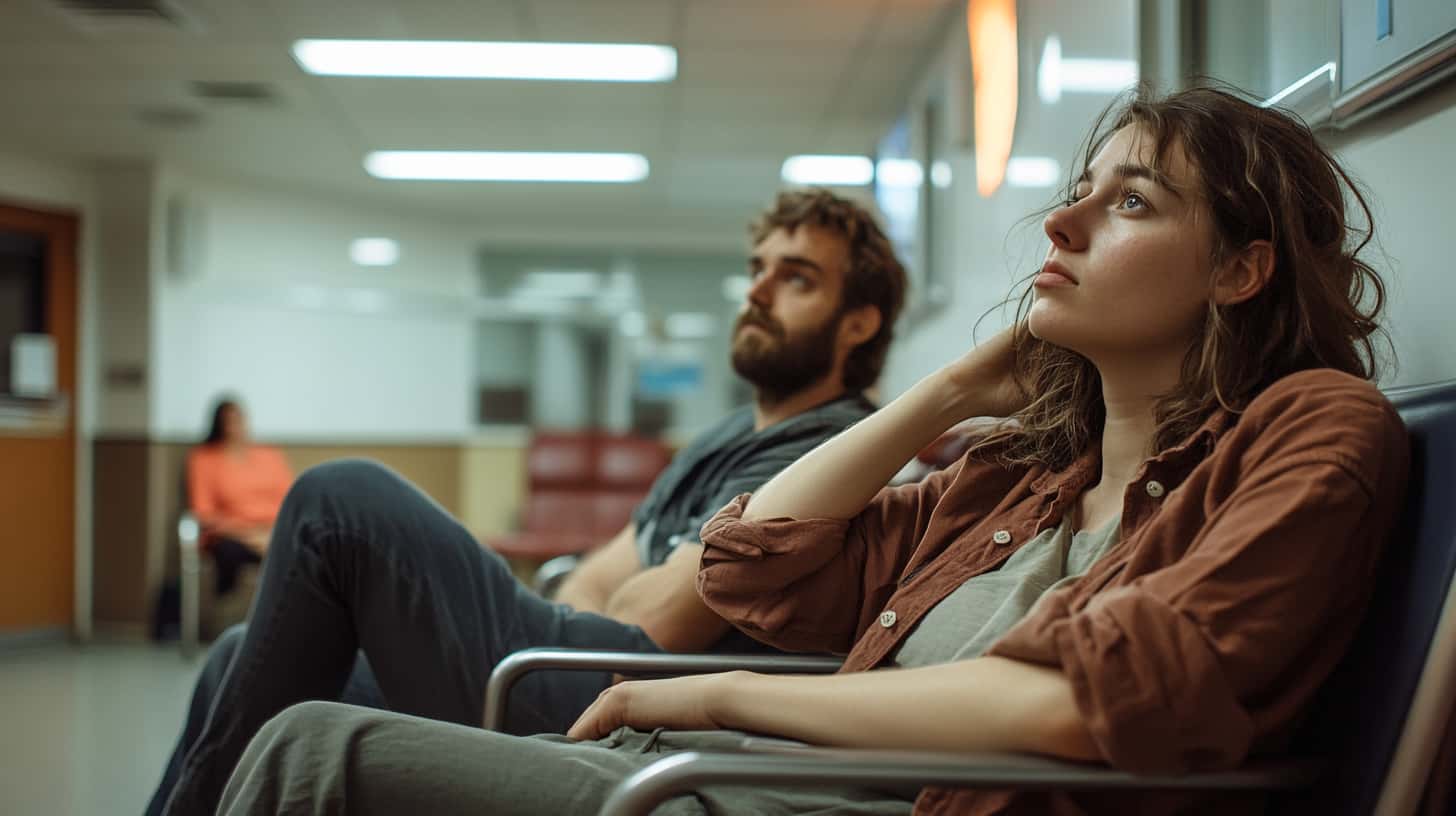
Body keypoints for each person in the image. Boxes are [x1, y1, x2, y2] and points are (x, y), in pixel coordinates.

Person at [215, 85, 1410, 816]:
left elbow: (1082, 710)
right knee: (278, 712)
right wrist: (939, 391)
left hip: (806, 792)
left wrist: (721, 694)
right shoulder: (1020, 479)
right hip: (734, 771)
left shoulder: (1311, 428)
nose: (1060, 221)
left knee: (313, 749)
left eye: (1131, 204)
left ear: (1241, 269)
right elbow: (750, 563)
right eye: (1077, 191)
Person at [150, 188, 909, 815]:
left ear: (858, 323)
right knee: (230, 659)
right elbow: (595, 574)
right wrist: (636, 580)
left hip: (629, 696)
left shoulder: (831, 449)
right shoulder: (729, 436)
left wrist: (629, 585)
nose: (758, 290)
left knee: (339, 502)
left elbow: (653, 622)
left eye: (797, 278)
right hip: (577, 653)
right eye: (758, 269)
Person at [188, 398, 294, 595]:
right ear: (219, 424)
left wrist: (270, 534)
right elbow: (203, 513)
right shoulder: (204, 458)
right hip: (232, 537)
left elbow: (290, 501)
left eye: (239, 419)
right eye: (229, 421)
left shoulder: (269, 455)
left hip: (272, 534)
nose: (236, 426)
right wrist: (250, 535)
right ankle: (228, 612)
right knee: (230, 553)